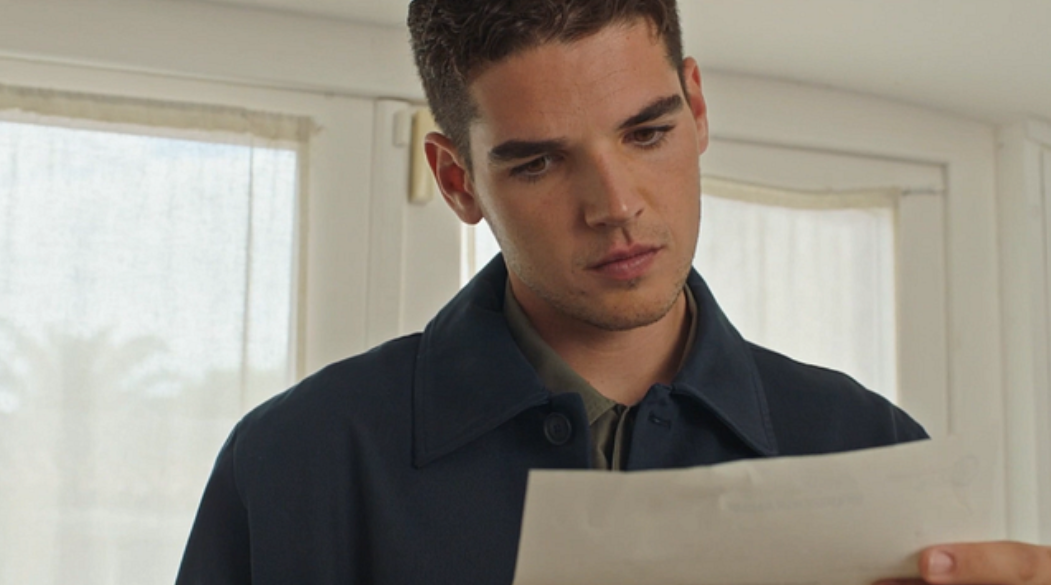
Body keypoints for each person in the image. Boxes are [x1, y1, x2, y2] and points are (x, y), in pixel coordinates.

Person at [176, 1, 1051, 584]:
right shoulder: (294, 462)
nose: (615, 205)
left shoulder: (869, 448)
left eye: (646, 133)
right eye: (539, 162)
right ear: (456, 179)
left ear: (696, 108)